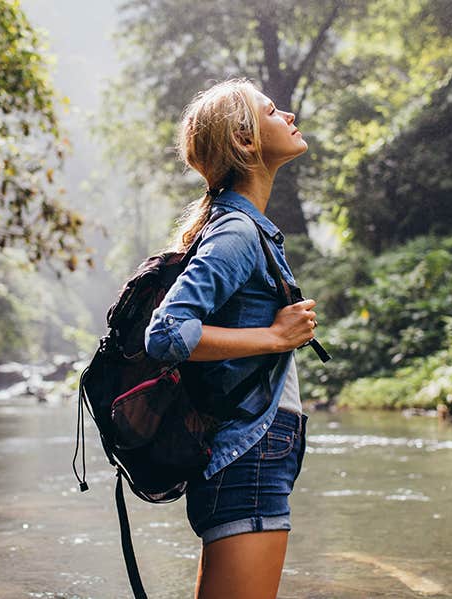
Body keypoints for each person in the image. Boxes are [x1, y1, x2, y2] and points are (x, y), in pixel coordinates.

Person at [143, 78, 318, 599]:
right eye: (271, 111)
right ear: (245, 141)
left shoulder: (245, 227)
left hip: (252, 450)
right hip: (250, 451)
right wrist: (273, 336)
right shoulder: (238, 233)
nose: (287, 114)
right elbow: (167, 333)